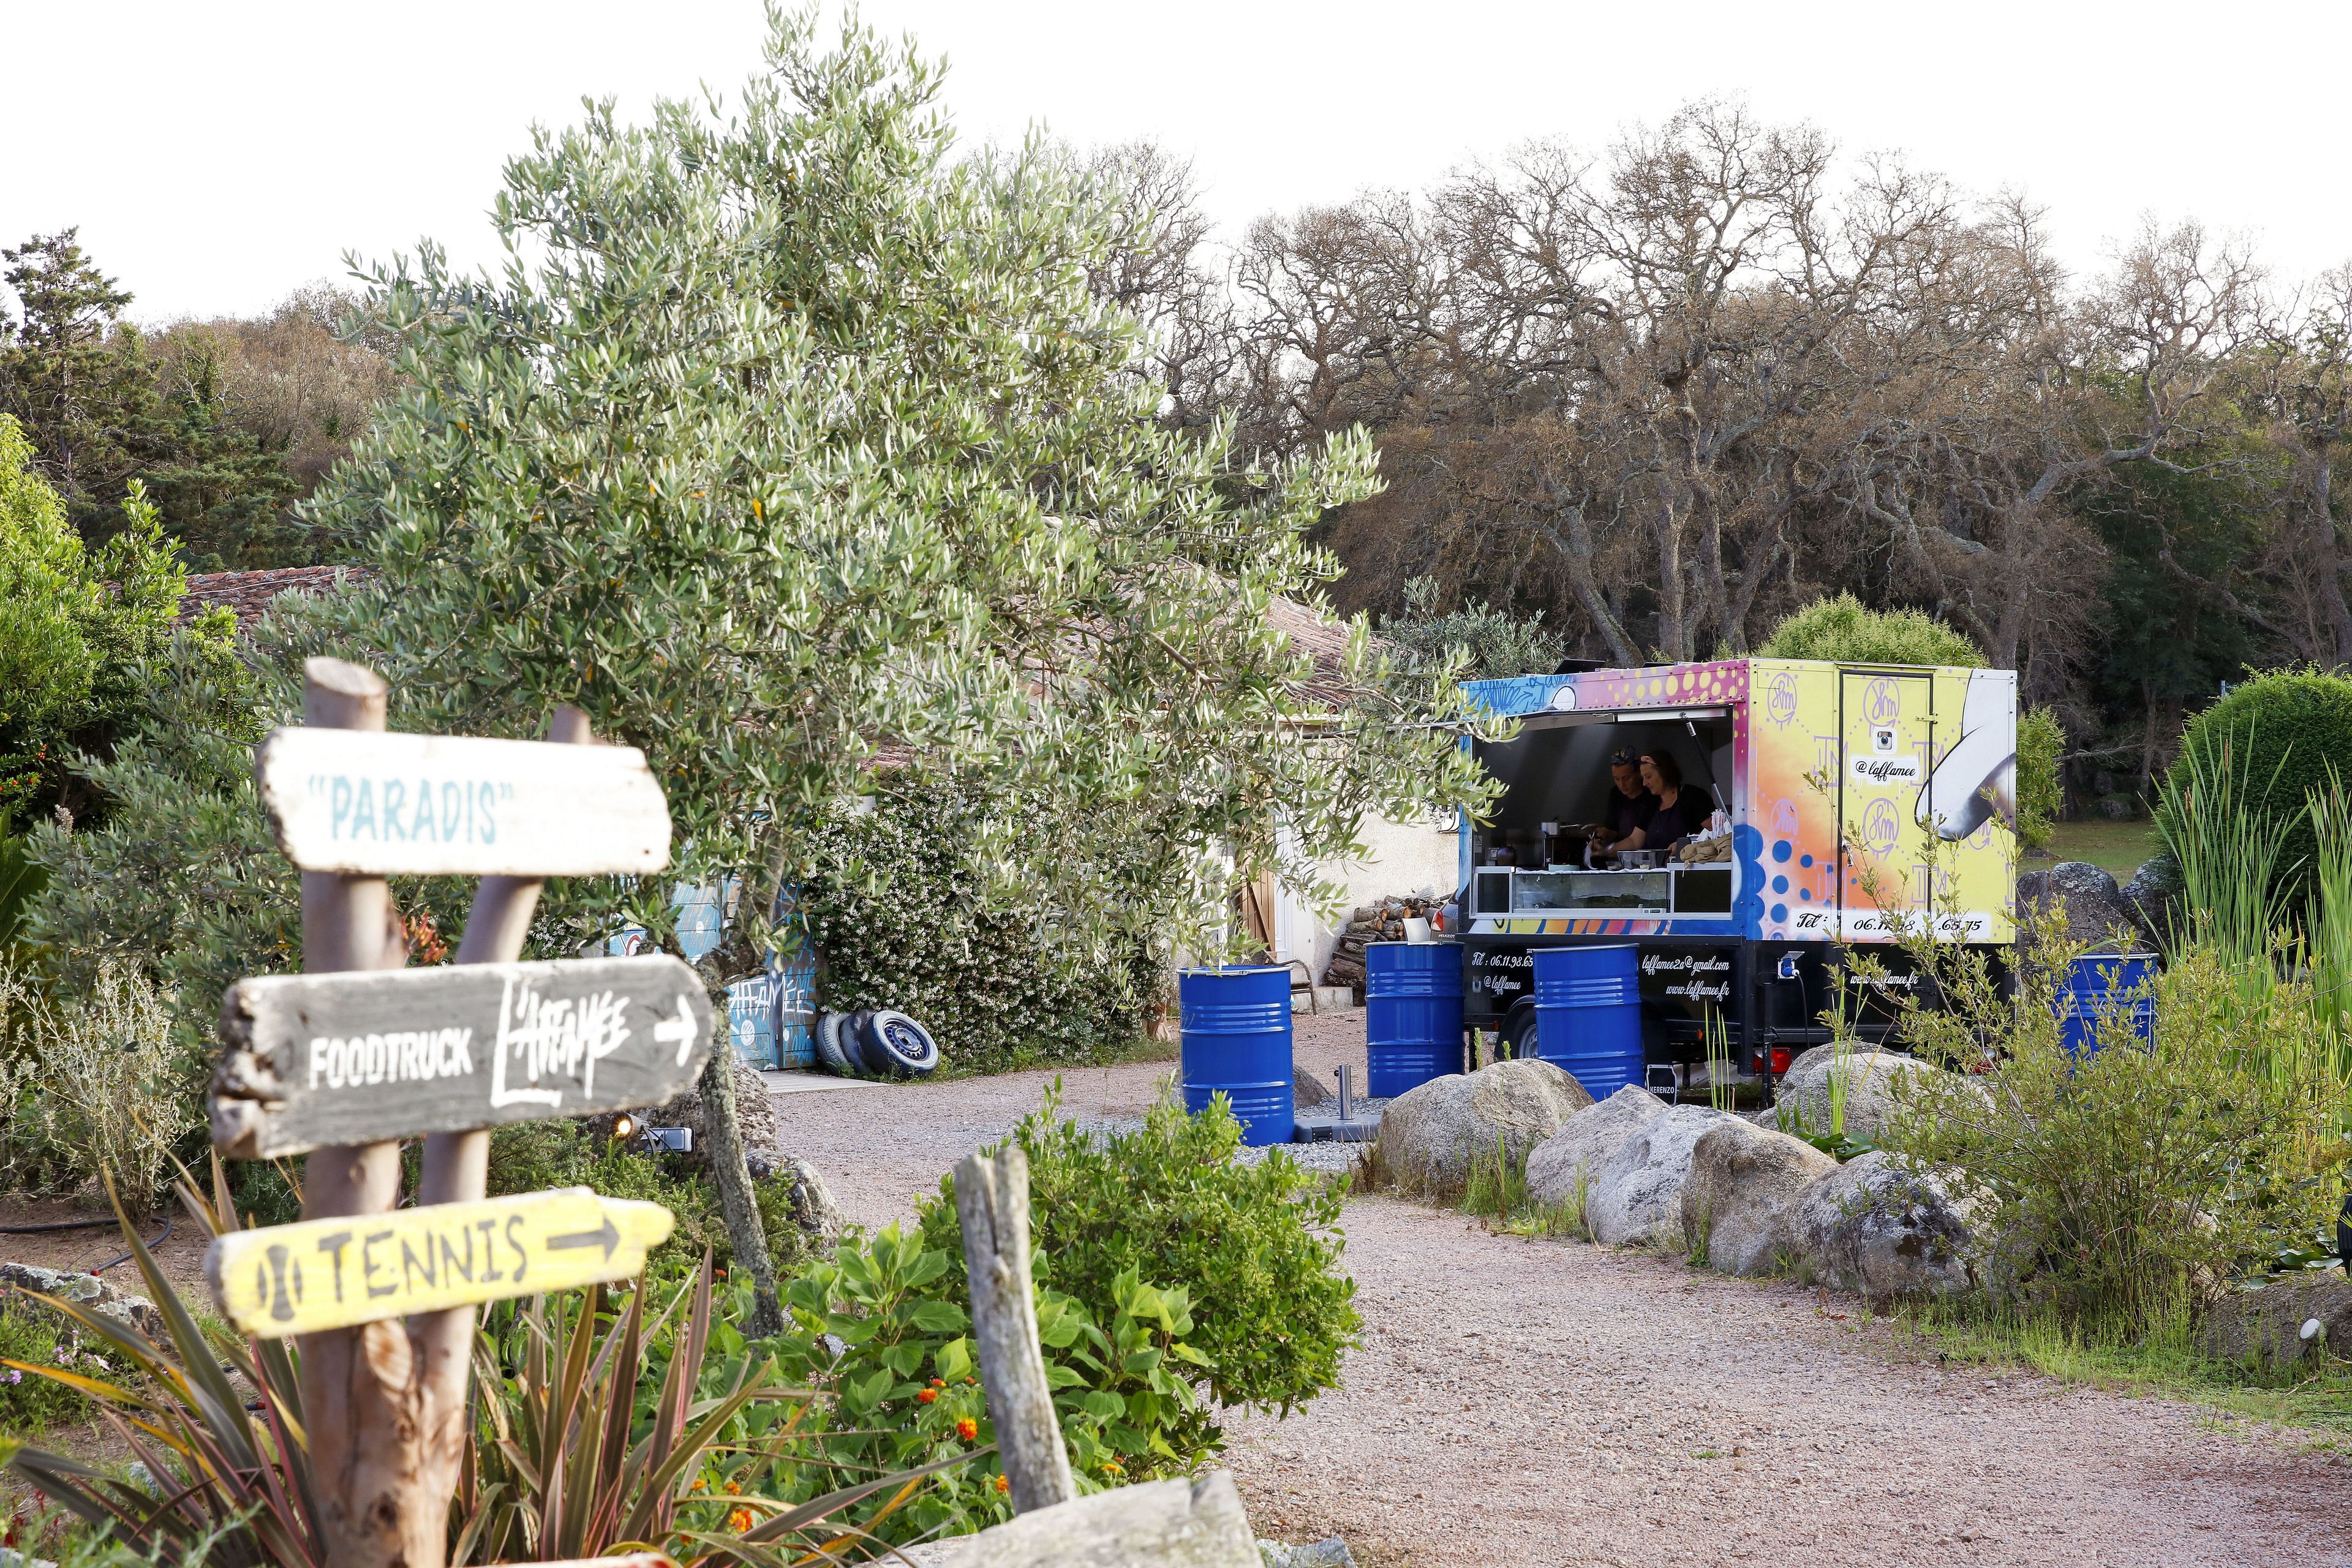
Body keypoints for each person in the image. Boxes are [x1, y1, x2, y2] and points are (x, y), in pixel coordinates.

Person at [1616, 751, 1692, 853]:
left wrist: (1686, 844)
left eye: (1649, 777)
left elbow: (1714, 835)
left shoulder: (1692, 797)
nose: (1644, 783)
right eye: (1643, 778)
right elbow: (1635, 841)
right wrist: (1605, 851)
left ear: (1664, 773)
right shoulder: (1652, 803)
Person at [1585, 752, 1657, 849]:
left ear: (1638, 773)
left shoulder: (1650, 795)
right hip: (1620, 854)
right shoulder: (1616, 794)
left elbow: (1636, 840)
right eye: (1617, 779)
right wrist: (1603, 834)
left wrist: (1607, 852)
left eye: (1626, 778)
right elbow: (1612, 829)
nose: (1622, 785)